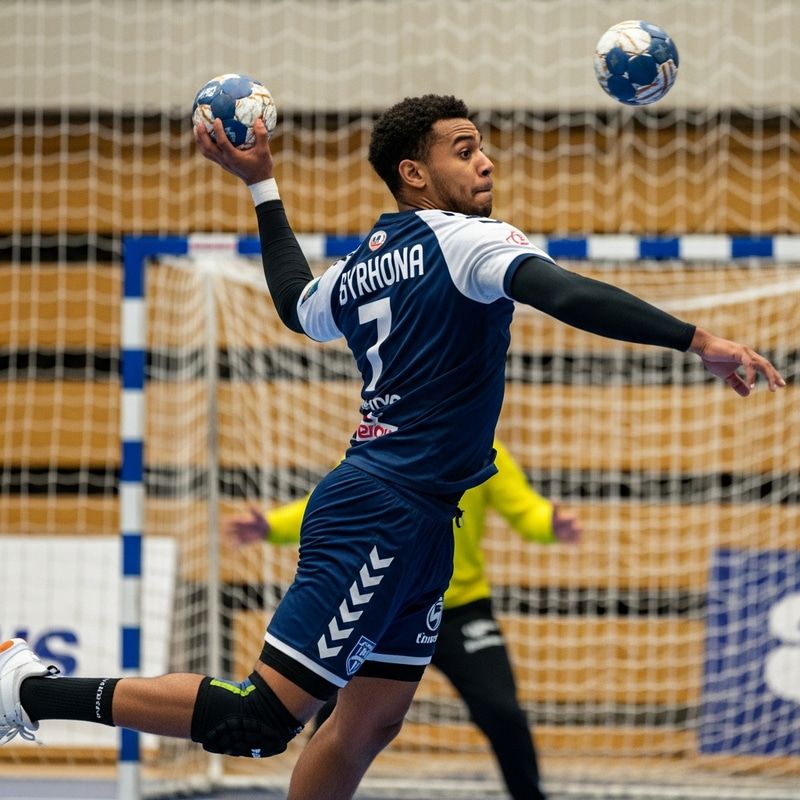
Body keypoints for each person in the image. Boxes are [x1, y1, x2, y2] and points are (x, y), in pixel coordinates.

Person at [0, 95, 784, 800]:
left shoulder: (362, 266)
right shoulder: (466, 241)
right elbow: (564, 292)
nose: (485, 162)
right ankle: (27, 690)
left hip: (421, 519)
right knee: (260, 718)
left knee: (369, 723)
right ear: (414, 172)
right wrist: (697, 340)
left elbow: (292, 303)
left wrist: (263, 185)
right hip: (381, 511)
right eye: (464, 149)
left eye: (482, 148)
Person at [224, 439, 582, 800]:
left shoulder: (480, 448)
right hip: (385, 608)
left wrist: (549, 524)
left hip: (460, 610)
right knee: (331, 713)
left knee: (502, 712)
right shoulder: (378, 444)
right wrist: (270, 526)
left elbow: (525, 509)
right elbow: (332, 501)